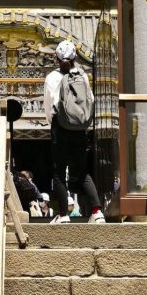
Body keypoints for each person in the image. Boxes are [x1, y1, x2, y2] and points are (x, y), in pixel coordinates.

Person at [43, 39, 105, 223]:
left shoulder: (52, 78)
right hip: (79, 128)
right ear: (75, 57)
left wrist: (54, 123)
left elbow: (48, 106)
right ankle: (96, 211)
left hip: (60, 127)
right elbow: (90, 100)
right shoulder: (82, 76)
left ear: (56, 57)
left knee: (59, 172)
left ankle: (63, 214)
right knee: (82, 170)